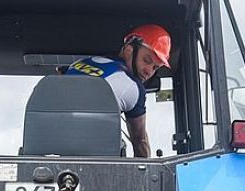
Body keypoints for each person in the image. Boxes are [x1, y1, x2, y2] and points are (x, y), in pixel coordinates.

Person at [64, 24, 171, 158]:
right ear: (128, 50)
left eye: (155, 67)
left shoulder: (78, 64)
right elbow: (140, 140)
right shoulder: (132, 87)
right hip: (97, 161)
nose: (149, 71)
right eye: (147, 60)